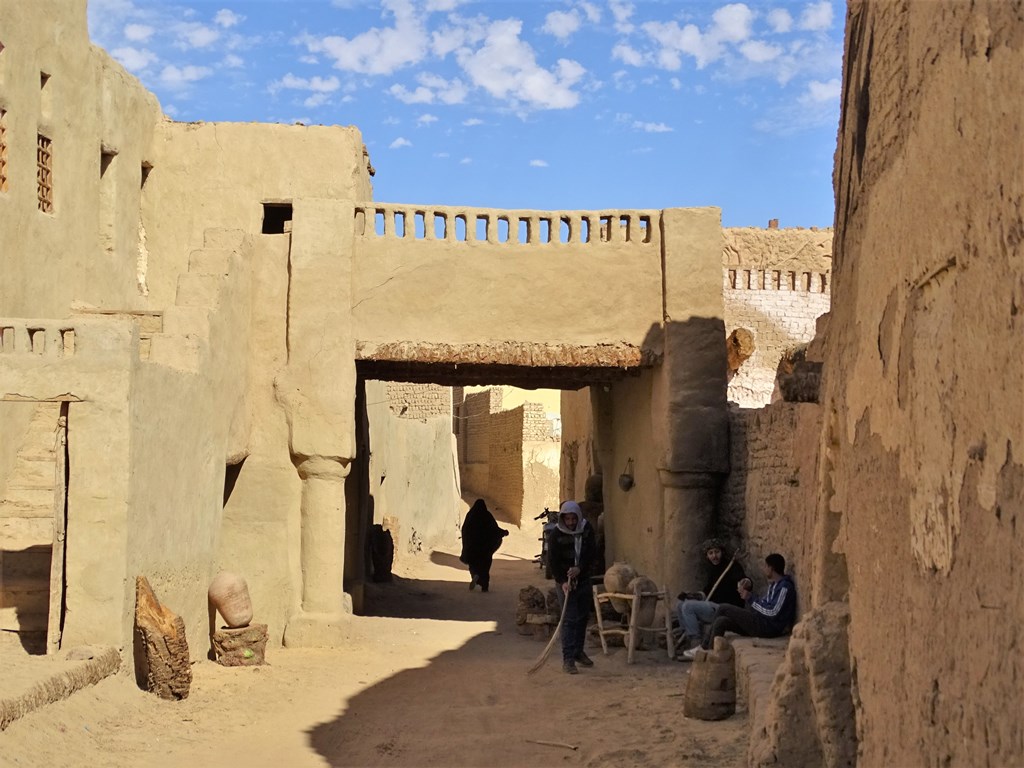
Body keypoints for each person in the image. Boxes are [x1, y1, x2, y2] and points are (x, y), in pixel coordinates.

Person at [683, 552, 797, 659]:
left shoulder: (784, 588)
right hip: (760, 621)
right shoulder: (774, 585)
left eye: (765, 566)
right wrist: (751, 598)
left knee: (724, 608)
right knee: (721, 622)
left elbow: (772, 613)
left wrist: (750, 598)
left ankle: (703, 648)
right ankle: (709, 657)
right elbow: (765, 604)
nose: (764, 569)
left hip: (767, 627)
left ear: (771, 569)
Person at [547, 500, 596, 674]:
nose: (570, 523)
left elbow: (590, 553)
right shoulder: (555, 535)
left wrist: (580, 568)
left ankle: (578, 652)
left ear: (578, 517)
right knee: (569, 619)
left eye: (573, 519)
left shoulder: (586, 530)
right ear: (562, 519)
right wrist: (563, 581)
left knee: (583, 617)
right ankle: (568, 659)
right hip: (565, 582)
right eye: (567, 519)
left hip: (582, 579)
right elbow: (552, 561)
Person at [675, 538, 747, 651]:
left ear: (722, 552)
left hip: (725, 610)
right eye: (710, 553)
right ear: (707, 556)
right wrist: (693, 596)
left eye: (717, 552)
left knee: (688, 607)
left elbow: (743, 580)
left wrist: (744, 583)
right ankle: (686, 639)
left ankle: (695, 643)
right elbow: (707, 592)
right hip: (712, 606)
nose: (714, 556)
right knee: (680, 604)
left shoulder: (732, 567)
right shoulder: (712, 570)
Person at [459, 499, 508, 593]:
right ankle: (484, 586)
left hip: (472, 549)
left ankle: (475, 576)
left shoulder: (471, 516)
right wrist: (504, 532)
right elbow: (494, 530)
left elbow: (465, 530)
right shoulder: (487, 516)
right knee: (484, 568)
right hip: (485, 550)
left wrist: (467, 544)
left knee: (473, 565)